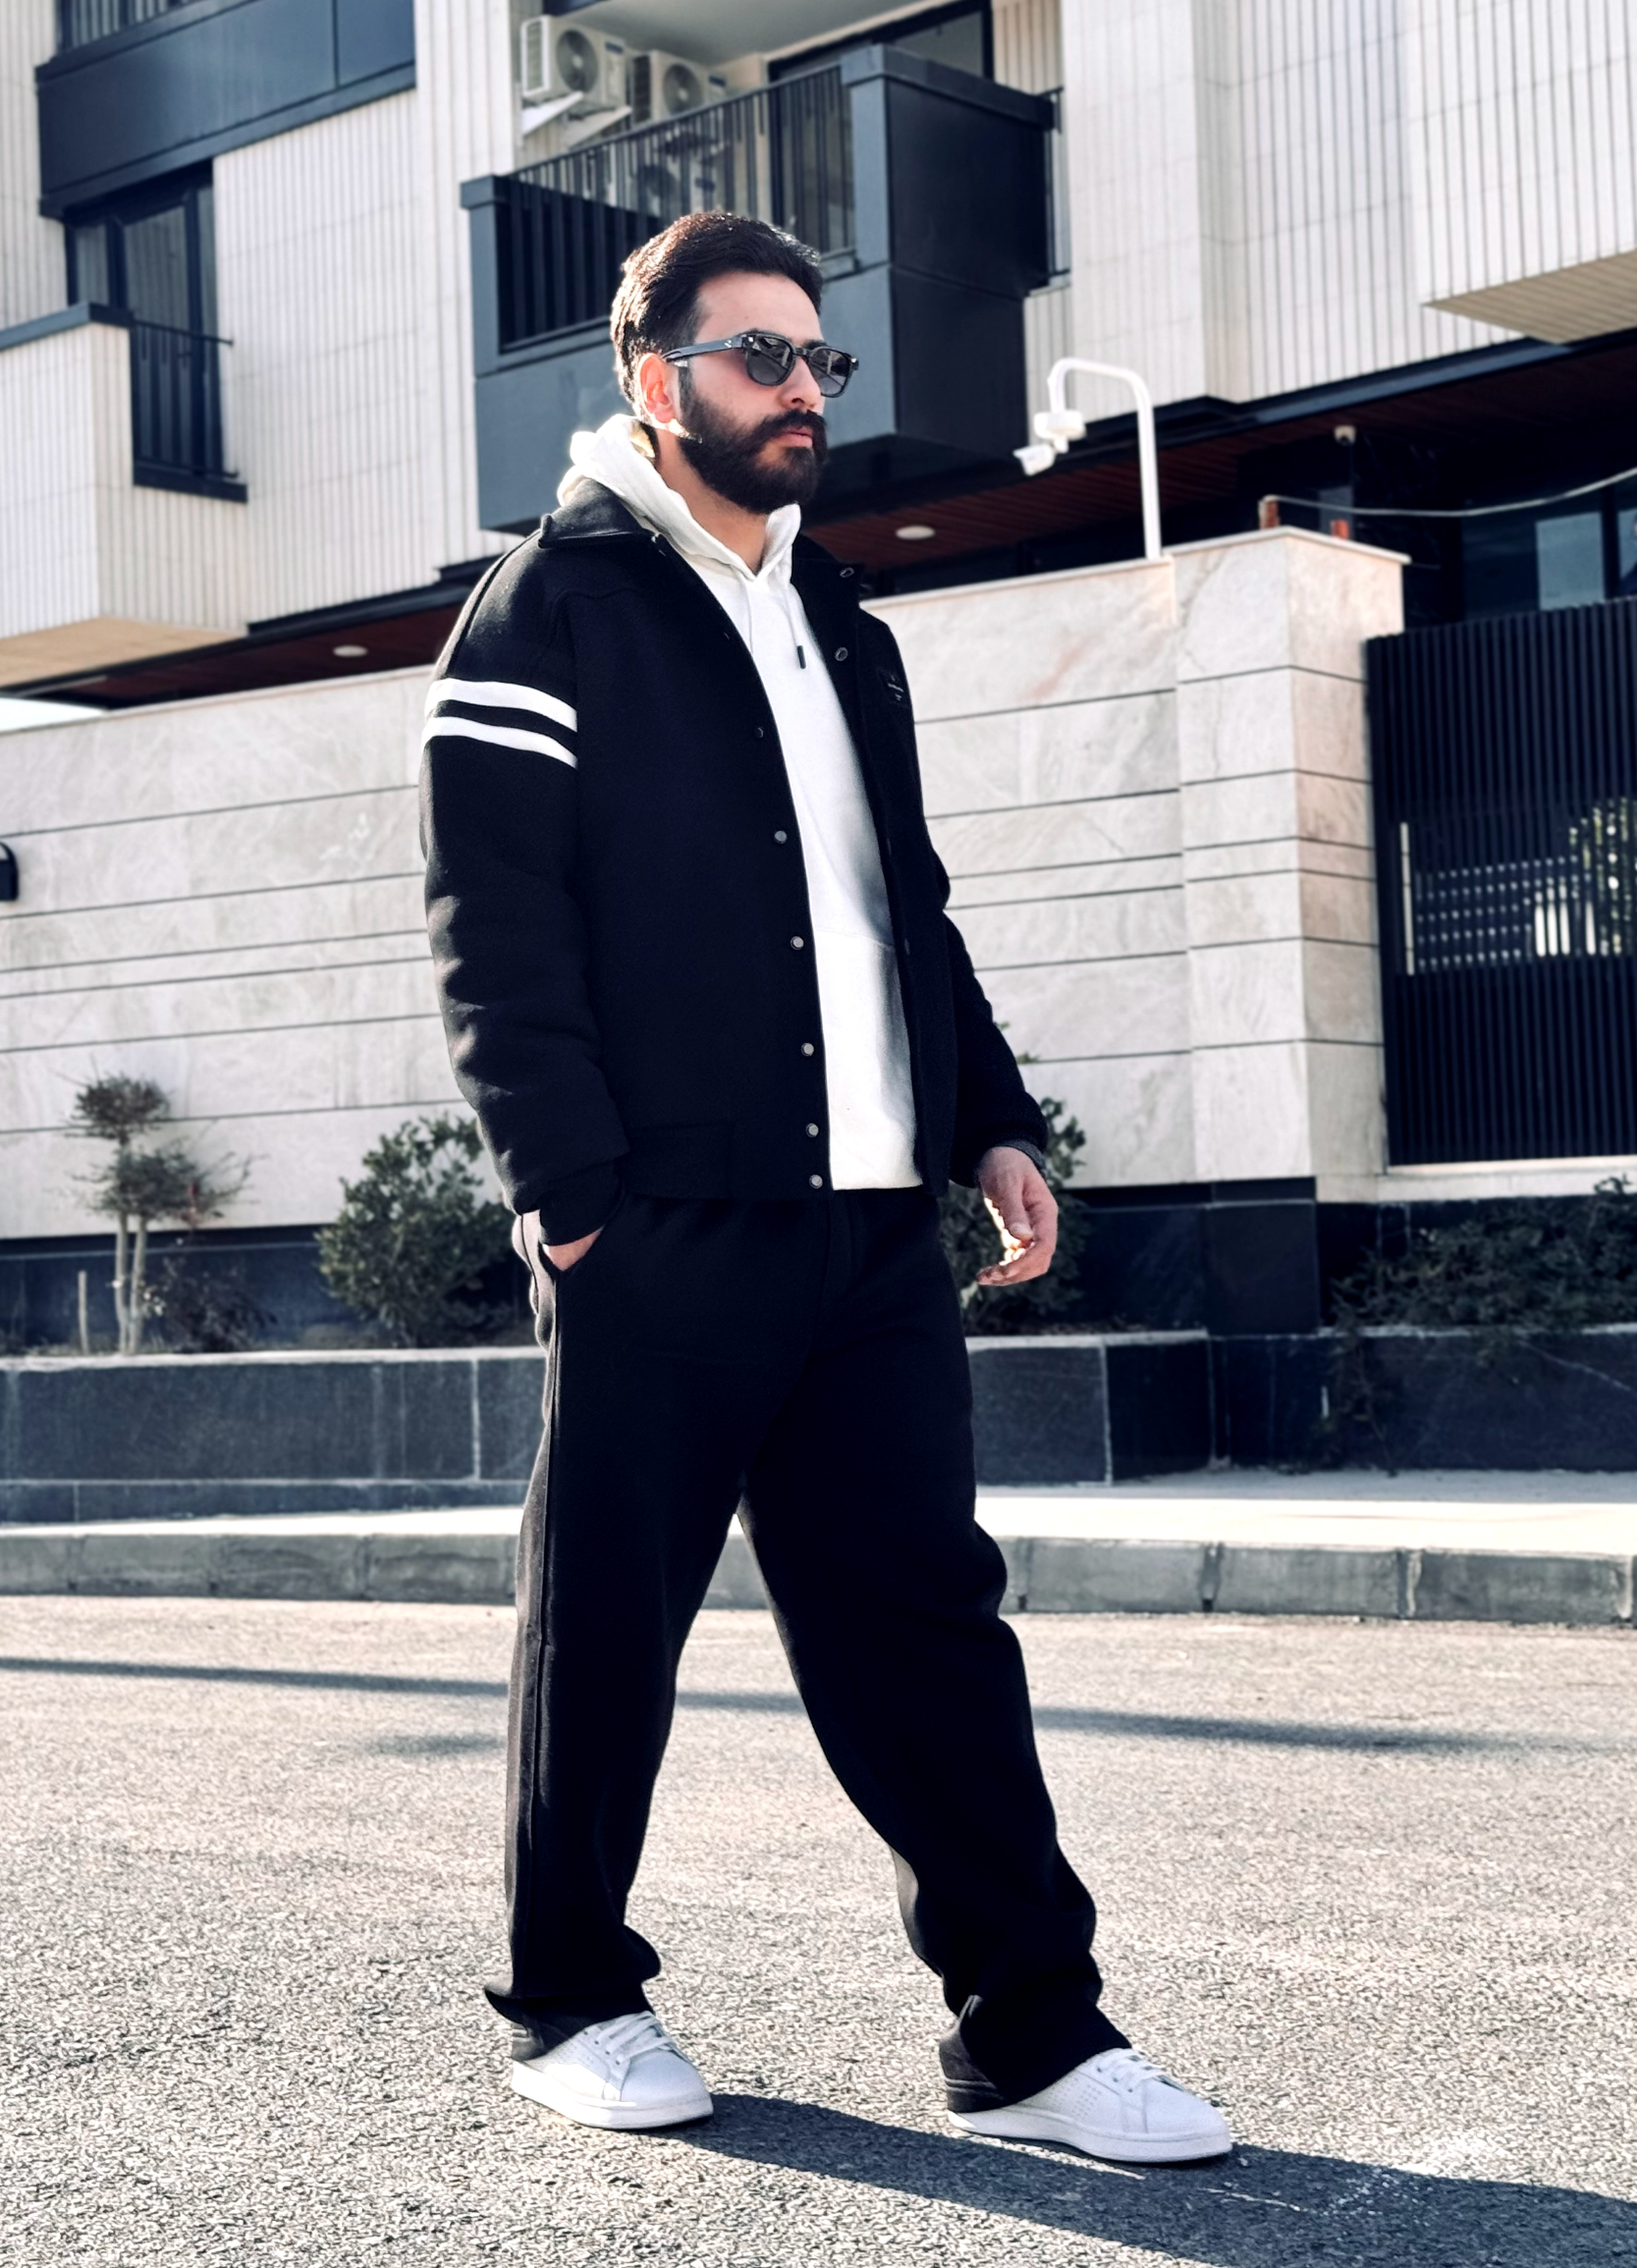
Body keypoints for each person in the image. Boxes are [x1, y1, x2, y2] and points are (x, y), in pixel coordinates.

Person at [420, 210, 1230, 2165]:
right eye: (760, 357)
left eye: (818, 359)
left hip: (869, 1232)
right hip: (661, 1227)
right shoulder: (547, 610)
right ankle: (567, 1998)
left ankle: (1032, 2032)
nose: (804, 391)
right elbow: (492, 928)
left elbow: (902, 915)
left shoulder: (840, 624)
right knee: (609, 1624)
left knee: (927, 1627)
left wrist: (989, 1122)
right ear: (656, 381)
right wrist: (571, 1194)